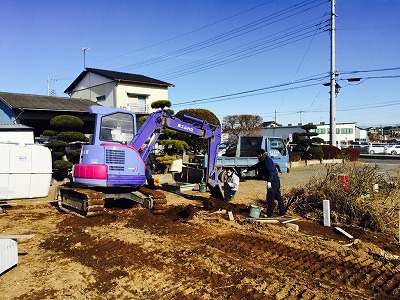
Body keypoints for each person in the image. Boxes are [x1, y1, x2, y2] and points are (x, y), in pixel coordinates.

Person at [246, 148, 286, 217]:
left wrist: (269, 182)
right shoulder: (263, 160)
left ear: (260, 155)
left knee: (270, 197)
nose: (257, 157)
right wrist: (248, 169)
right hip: (275, 181)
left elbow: (271, 172)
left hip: (273, 181)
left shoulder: (267, 161)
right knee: (278, 197)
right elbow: (257, 165)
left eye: (257, 155)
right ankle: (282, 212)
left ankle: (269, 214)